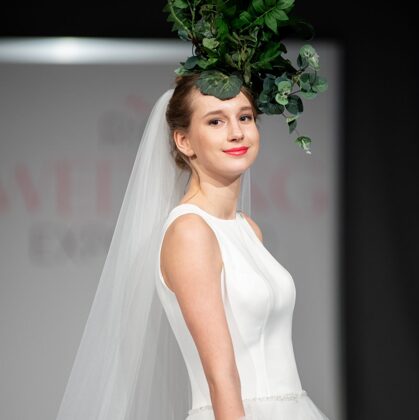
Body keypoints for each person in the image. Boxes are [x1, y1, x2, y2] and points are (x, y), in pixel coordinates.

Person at [55, 2, 330, 419]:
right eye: (215, 121)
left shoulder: (246, 228)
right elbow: (221, 377)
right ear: (184, 141)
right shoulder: (190, 232)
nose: (236, 132)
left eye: (244, 117)